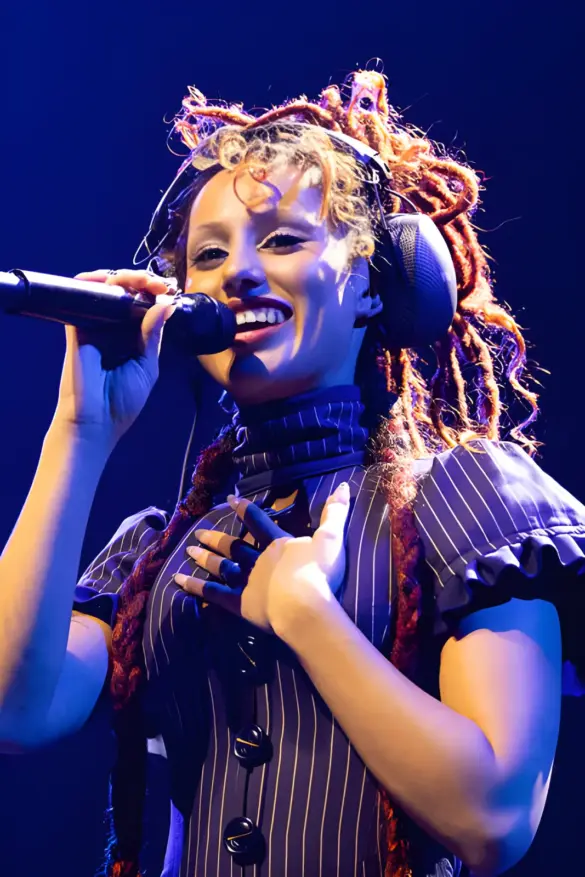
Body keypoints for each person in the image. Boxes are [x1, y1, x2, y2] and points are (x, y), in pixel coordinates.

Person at [0, 68, 584, 877]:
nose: (237, 272)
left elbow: (491, 817)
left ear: (377, 286)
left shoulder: (470, 502)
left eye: (280, 239)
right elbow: (15, 711)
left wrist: (307, 614)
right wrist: (80, 430)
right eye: (208, 255)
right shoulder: (157, 551)